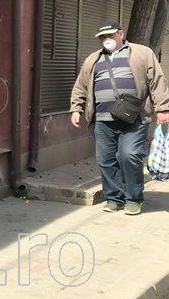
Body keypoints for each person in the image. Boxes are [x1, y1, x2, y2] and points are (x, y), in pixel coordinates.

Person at [70, 21, 169, 215]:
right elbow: (81, 85)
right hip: (102, 119)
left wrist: (163, 109)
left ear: (121, 34)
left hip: (134, 118)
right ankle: (114, 198)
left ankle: (133, 199)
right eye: (102, 37)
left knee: (129, 155)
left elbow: (157, 81)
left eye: (110, 35)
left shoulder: (142, 53)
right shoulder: (93, 59)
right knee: (105, 160)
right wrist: (76, 108)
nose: (106, 39)